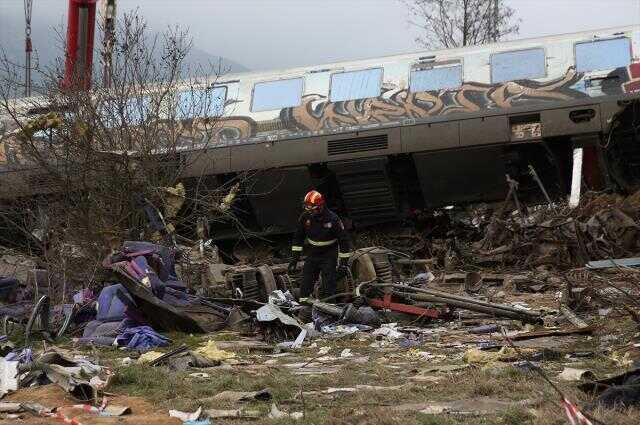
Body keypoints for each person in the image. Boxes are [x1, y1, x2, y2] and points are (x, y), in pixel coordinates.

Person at [288, 190, 352, 299]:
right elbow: (298, 238)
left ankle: (330, 307)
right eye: (307, 209)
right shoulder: (305, 217)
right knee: (306, 282)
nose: (310, 212)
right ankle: (304, 306)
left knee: (329, 284)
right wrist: (295, 258)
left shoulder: (333, 219)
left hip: (329, 254)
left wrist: (343, 264)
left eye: (313, 209)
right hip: (312, 253)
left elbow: (344, 241)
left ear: (321, 206)